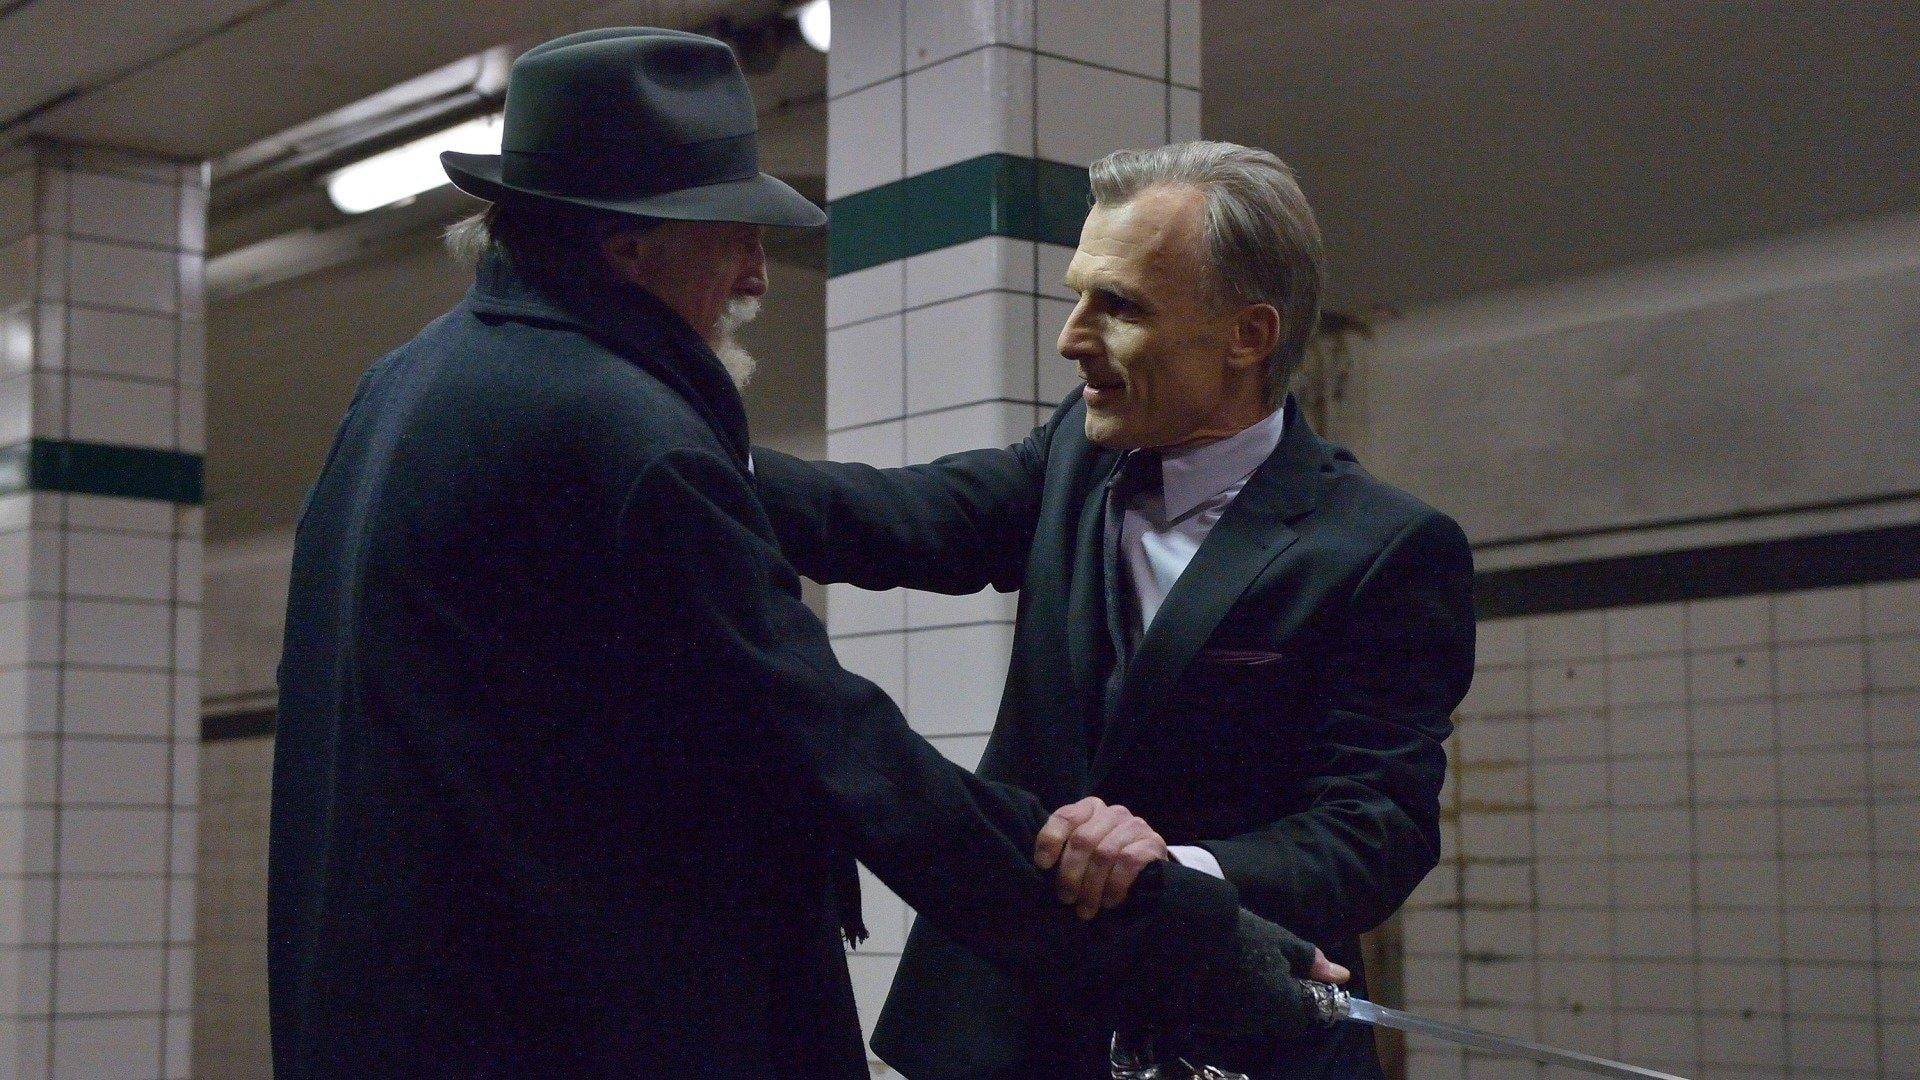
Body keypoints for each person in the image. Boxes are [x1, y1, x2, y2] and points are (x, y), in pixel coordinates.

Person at [268, 30, 1325, 1080]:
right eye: (733, 236)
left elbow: (917, 519)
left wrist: (712, 469)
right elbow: (852, 763)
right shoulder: (628, 444)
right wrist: (1194, 945)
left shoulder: (408, 389)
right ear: (629, 247)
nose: (758, 275)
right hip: (569, 1027)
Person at [753, 141, 1477, 1079]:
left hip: (1222, 1025)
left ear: (1248, 335)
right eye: (1078, 296)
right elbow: (902, 517)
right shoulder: (1078, 453)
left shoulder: (1382, 547)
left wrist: (1179, 867)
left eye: (1120, 306)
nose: (1071, 338)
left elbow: (1374, 829)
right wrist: (693, 445)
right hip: (1009, 1028)